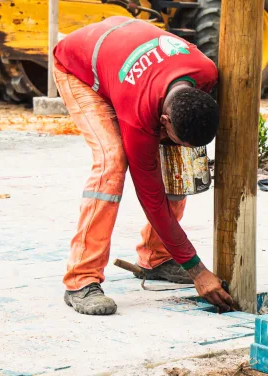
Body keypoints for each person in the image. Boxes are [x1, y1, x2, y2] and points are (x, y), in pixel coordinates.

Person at [53, 16, 234, 315]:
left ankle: (157, 258)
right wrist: (197, 270)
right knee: (112, 160)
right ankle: (80, 280)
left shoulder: (207, 73)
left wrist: (180, 148)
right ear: (163, 121)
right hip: (79, 65)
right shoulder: (139, 115)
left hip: (124, 53)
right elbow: (151, 199)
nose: (174, 144)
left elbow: (181, 142)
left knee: (180, 161)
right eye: (172, 136)